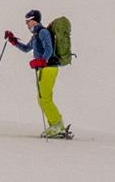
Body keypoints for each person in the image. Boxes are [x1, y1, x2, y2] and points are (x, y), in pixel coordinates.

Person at [5, 9, 68, 138]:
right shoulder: (35, 35)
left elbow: (49, 49)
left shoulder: (43, 32)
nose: (26, 24)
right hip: (44, 68)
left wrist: (42, 61)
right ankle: (56, 125)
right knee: (42, 99)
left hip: (49, 68)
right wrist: (14, 41)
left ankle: (57, 125)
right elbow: (27, 49)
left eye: (28, 21)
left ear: (34, 20)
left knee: (44, 99)